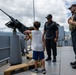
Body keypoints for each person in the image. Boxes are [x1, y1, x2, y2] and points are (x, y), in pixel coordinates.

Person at [68, 4, 76, 69]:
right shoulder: (73, 15)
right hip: (73, 32)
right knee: (75, 48)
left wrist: (72, 22)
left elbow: (72, 22)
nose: (70, 9)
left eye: (71, 8)